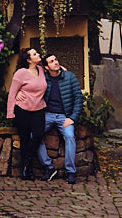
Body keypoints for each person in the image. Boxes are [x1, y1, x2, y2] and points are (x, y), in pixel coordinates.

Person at [38, 54, 83, 184]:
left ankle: (70, 172)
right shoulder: (43, 78)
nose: (56, 62)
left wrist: (72, 118)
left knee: (69, 136)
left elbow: (78, 98)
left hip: (65, 116)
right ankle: (48, 167)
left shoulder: (69, 77)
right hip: (48, 115)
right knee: (34, 135)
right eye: (51, 62)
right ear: (46, 67)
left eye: (56, 60)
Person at [6, 47, 47, 181]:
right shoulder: (21, 73)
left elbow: (52, 70)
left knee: (38, 135)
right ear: (29, 60)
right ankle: (25, 169)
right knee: (24, 139)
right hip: (22, 110)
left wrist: (62, 69)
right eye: (35, 54)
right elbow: (12, 93)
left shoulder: (41, 70)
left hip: (39, 109)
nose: (38, 54)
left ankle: (26, 163)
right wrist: (10, 113)